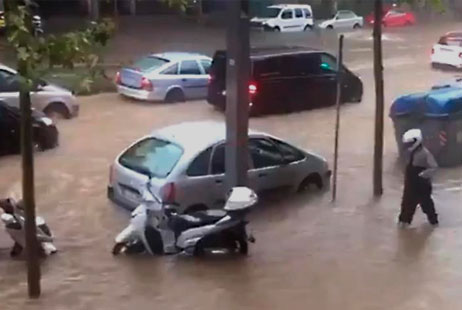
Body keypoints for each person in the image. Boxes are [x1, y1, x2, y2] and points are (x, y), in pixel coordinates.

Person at [399, 129, 439, 227]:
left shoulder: (425, 153)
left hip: (422, 185)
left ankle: (433, 223)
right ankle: (403, 224)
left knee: (427, 205)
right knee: (406, 206)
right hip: (410, 183)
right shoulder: (408, 153)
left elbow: (434, 167)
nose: (407, 146)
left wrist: (423, 175)